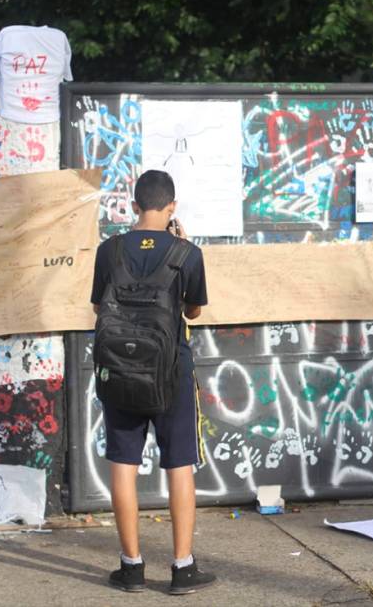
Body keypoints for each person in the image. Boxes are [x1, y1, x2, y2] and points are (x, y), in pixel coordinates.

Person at [90, 169, 215, 594]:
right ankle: (182, 568)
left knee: (123, 465)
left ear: (135, 204)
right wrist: (180, 246)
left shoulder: (109, 251)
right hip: (171, 372)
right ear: (172, 207)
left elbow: (97, 307)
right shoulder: (187, 252)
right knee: (179, 465)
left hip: (120, 371)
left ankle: (131, 567)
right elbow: (193, 311)